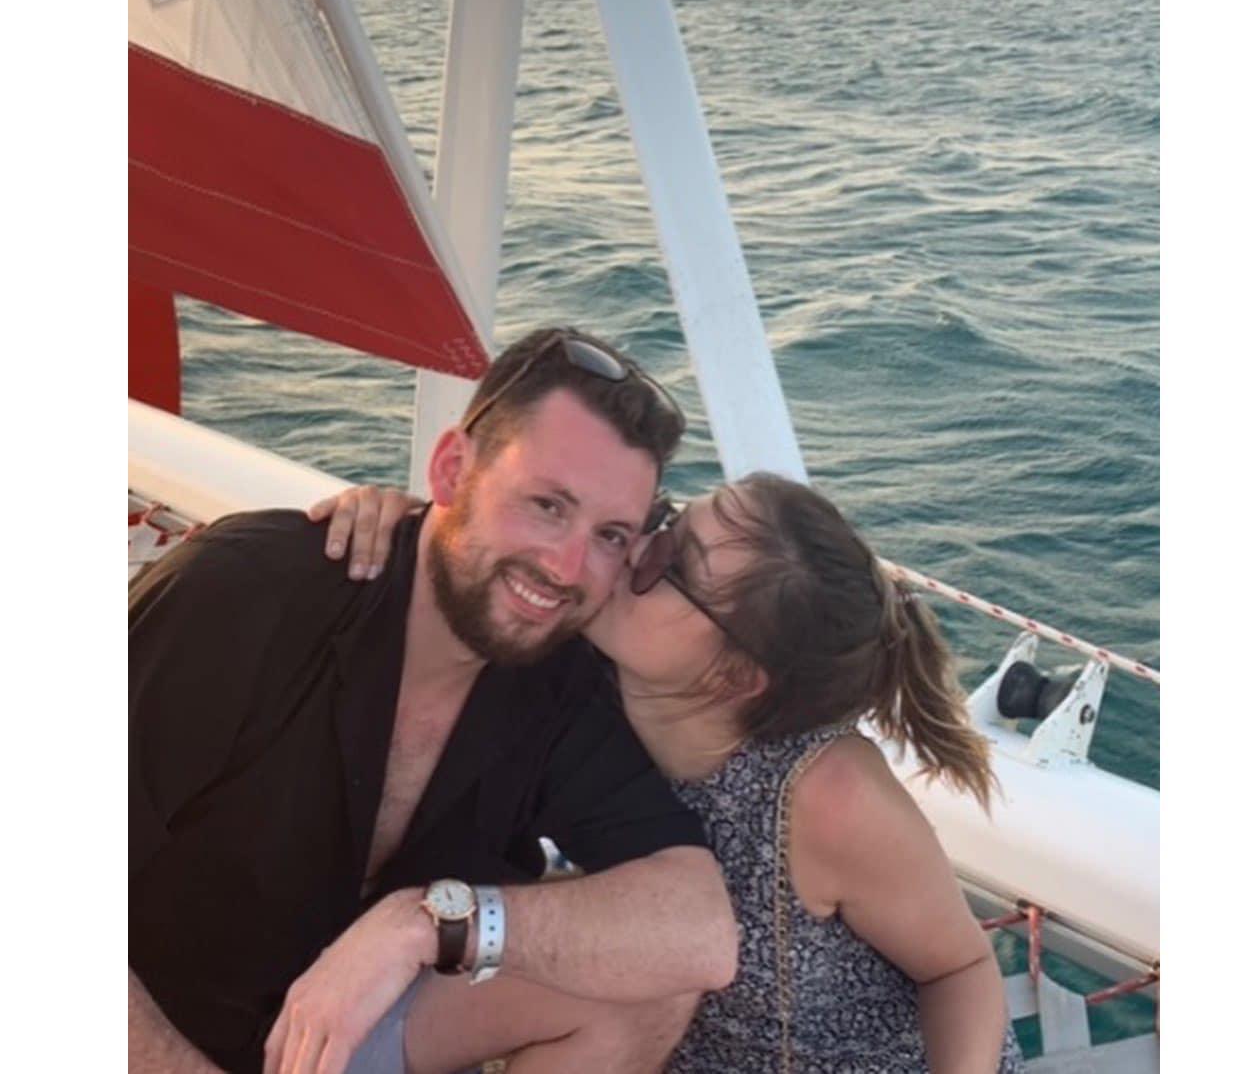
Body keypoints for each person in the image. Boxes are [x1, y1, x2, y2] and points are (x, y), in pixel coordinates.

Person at [129, 327, 740, 1074]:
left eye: (611, 535)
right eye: (547, 505)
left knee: (641, 988)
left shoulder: (559, 675)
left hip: (341, 1041)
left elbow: (699, 932)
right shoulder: (247, 594)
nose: (567, 567)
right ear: (452, 470)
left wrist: (422, 924)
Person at [319, 473, 1026, 1072]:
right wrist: (399, 525)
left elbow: (959, 969)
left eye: (670, 563)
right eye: (666, 520)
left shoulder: (825, 794)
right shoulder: (584, 675)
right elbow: (469, 577)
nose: (633, 549)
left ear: (735, 674)